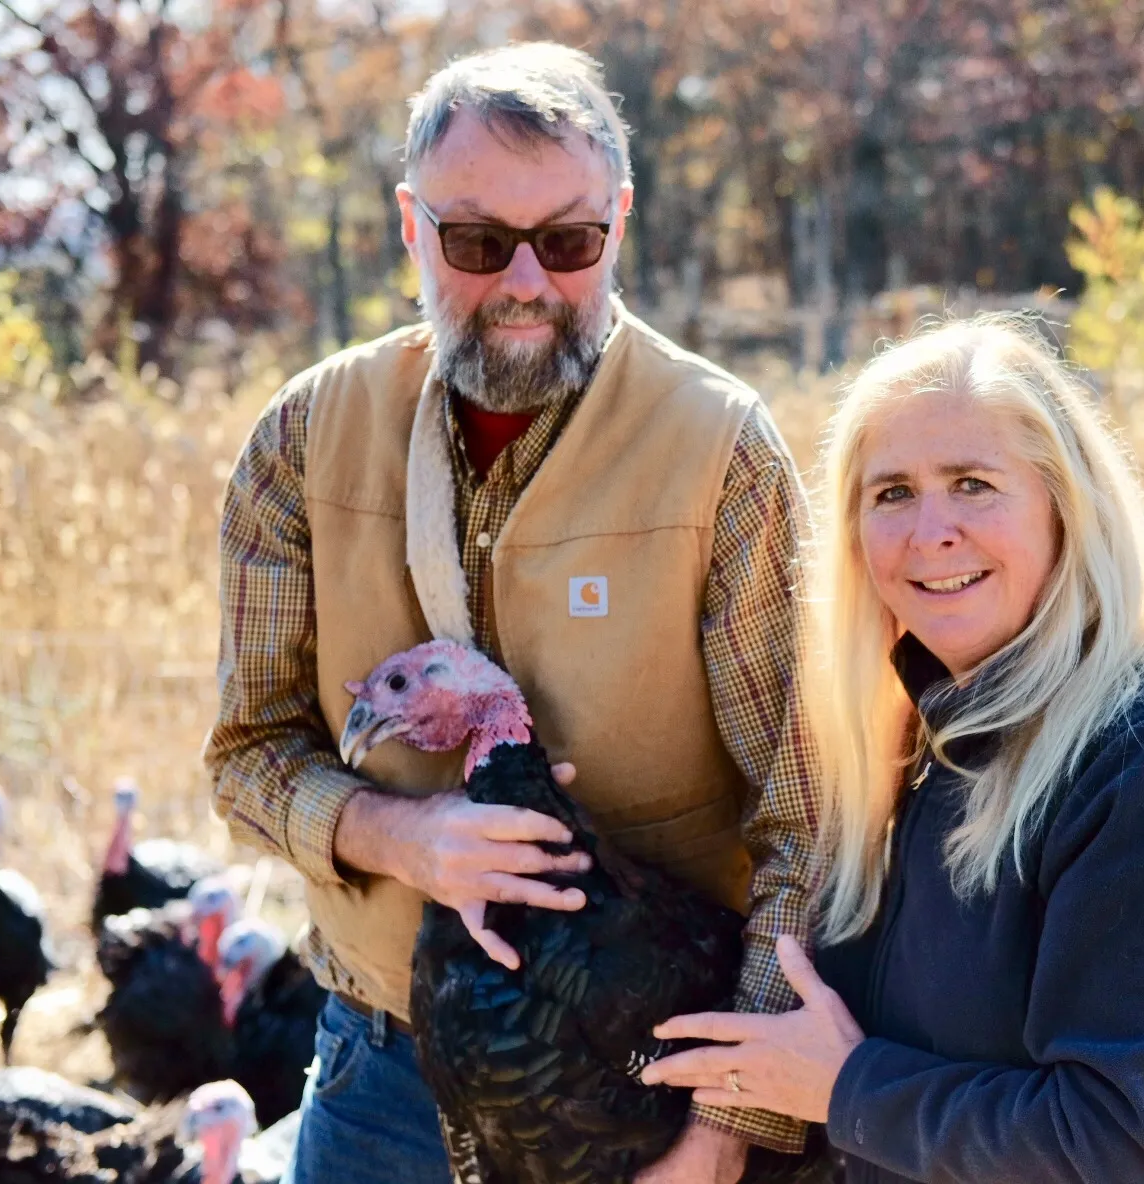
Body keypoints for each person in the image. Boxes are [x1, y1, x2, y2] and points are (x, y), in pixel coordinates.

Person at [204, 42, 817, 1184]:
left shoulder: (723, 452)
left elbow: (808, 813)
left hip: (642, 1087)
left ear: (620, 221)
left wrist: (730, 1126)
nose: (526, 283)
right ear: (410, 225)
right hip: (382, 1066)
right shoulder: (302, 438)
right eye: (478, 242)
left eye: (570, 241)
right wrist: (399, 835)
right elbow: (246, 754)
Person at [641, 316, 1144, 1182]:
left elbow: (1118, 1149)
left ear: (1066, 506)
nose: (930, 530)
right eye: (891, 492)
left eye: (973, 484)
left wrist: (847, 1087)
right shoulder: (914, 749)